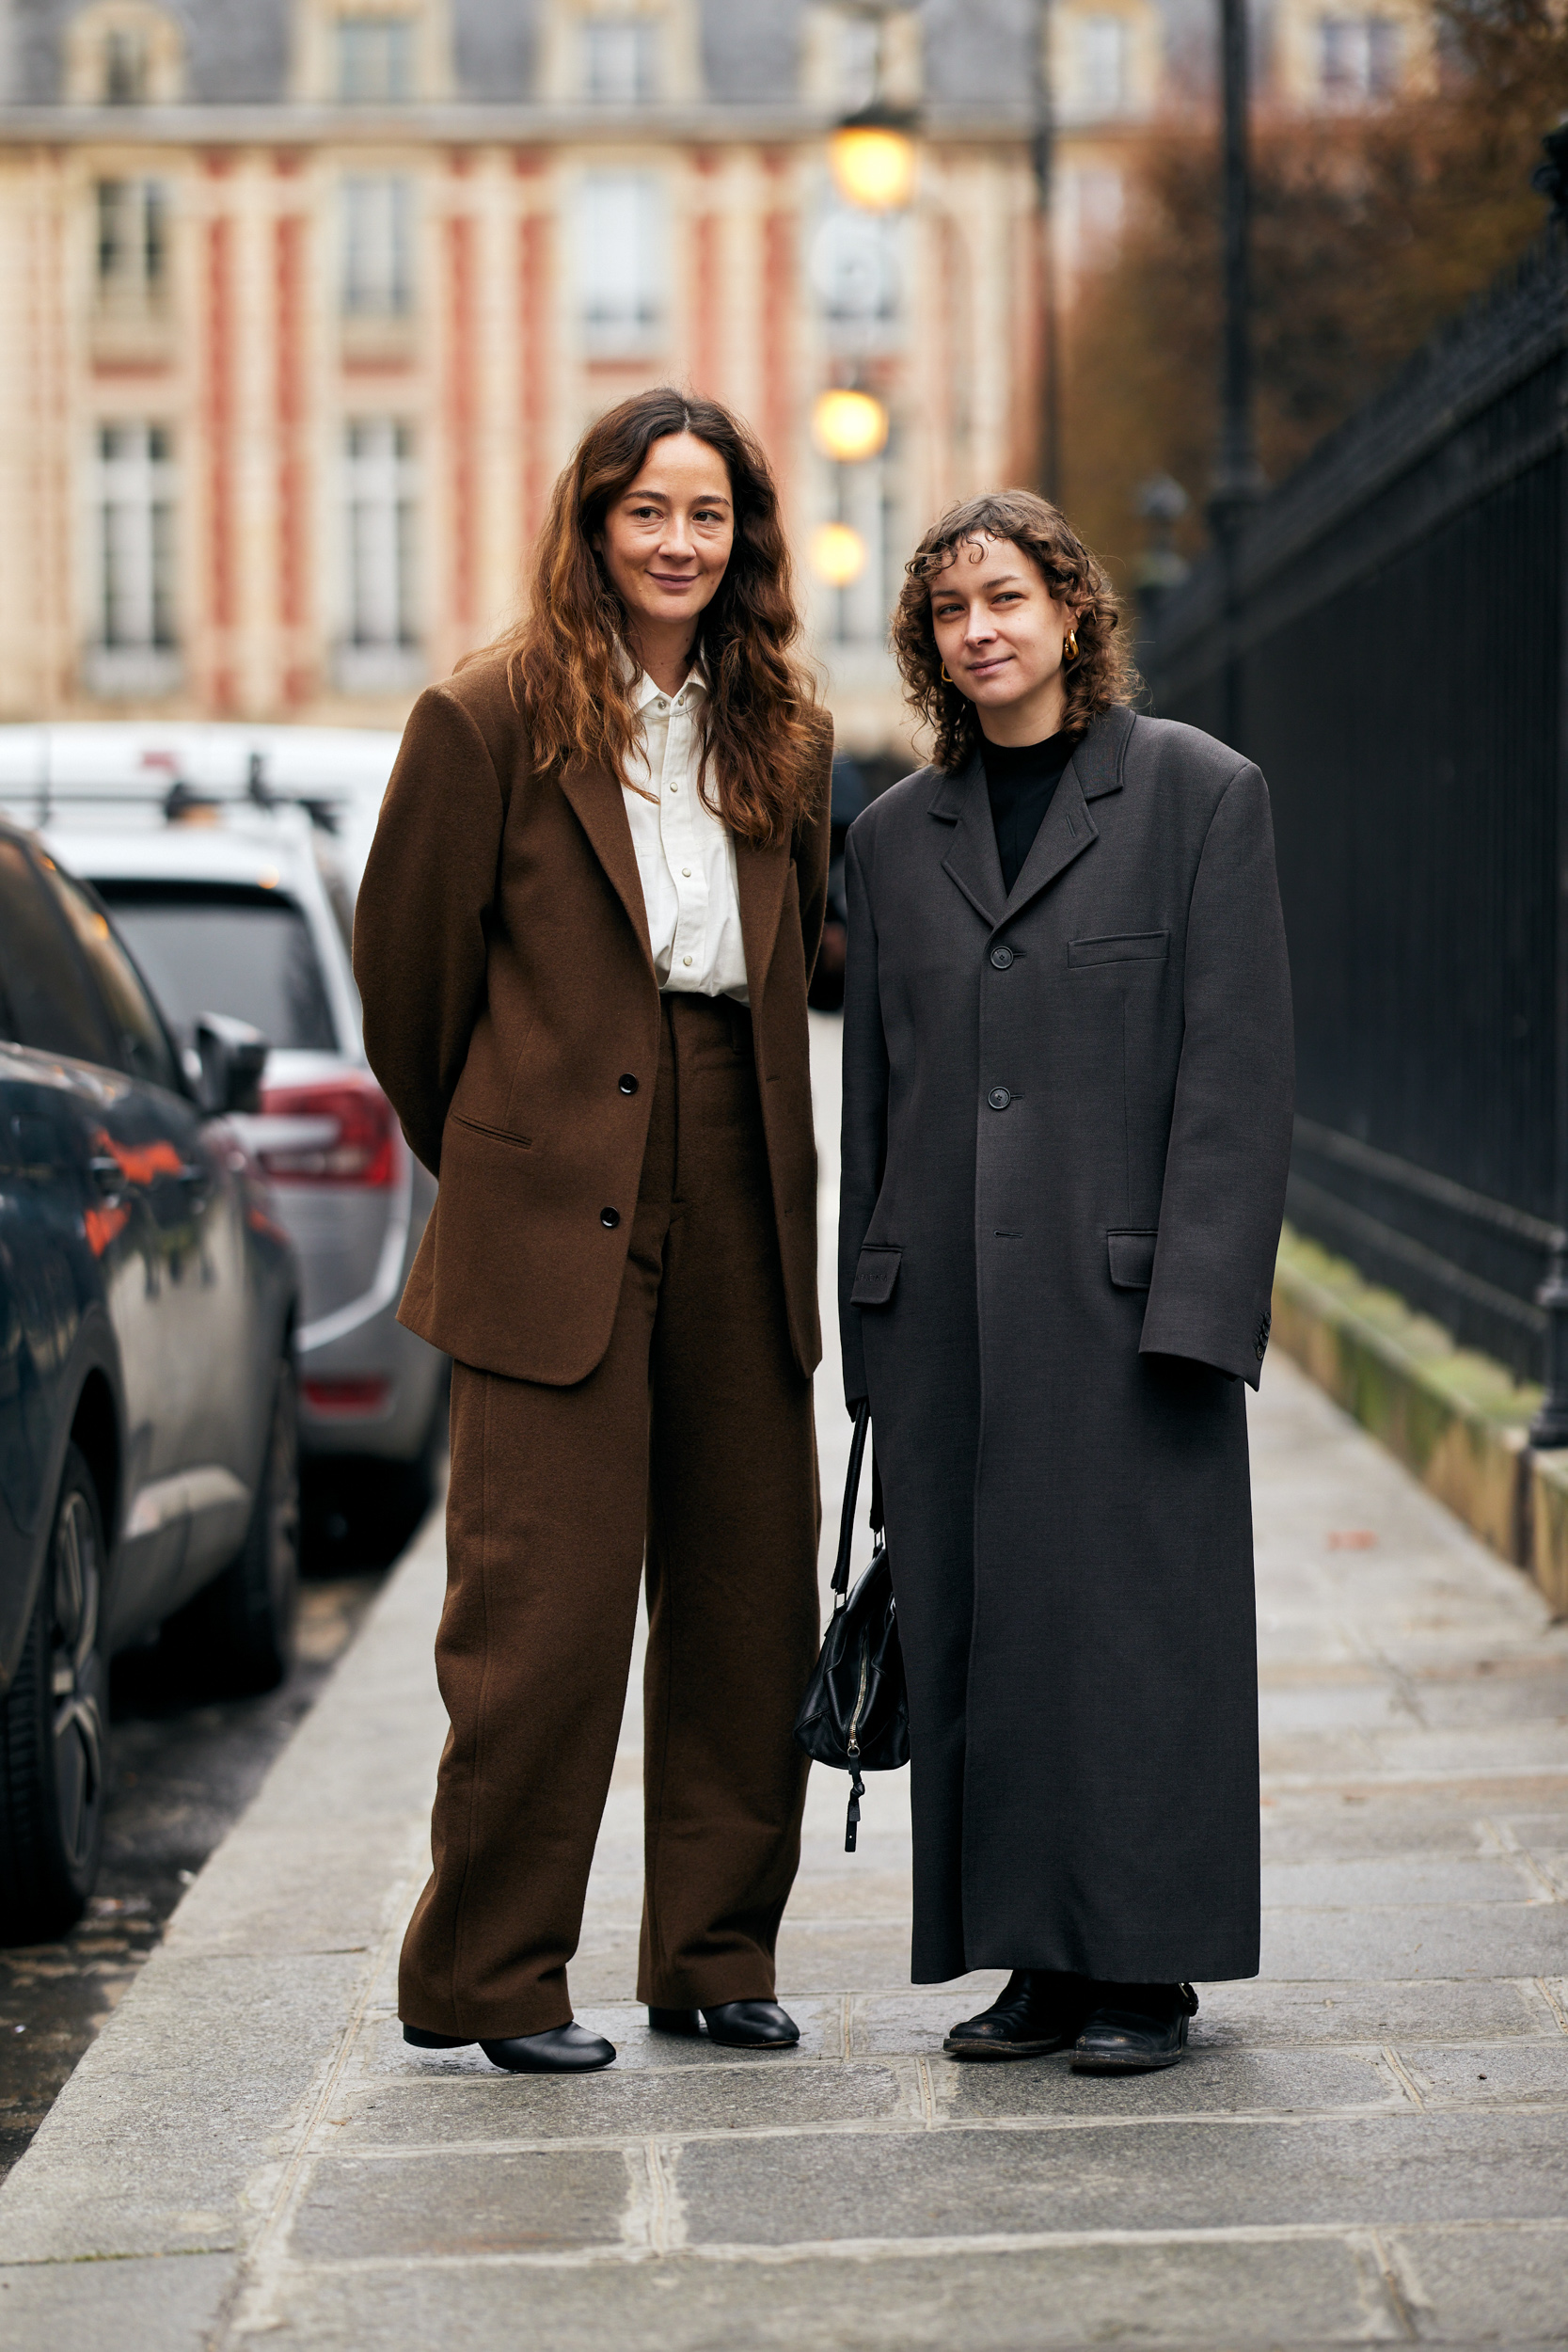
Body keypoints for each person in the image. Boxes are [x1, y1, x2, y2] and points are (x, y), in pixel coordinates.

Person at [355, 388, 832, 2074]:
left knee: (746, 1592)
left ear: (742, 539)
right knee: (536, 1616)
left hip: (744, 1188)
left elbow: (827, 958)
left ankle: (713, 1955)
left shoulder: (780, 729)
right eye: (650, 513)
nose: (679, 544)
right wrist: (500, 1157)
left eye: (708, 516)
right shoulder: (484, 720)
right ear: (593, 525)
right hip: (550, 1195)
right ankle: (493, 1977)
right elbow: (408, 996)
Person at [838, 491, 1293, 2073]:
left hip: (1127, 1311)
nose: (982, 630)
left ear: (1073, 615)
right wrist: (870, 1330)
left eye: (1009, 598)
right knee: (980, 1634)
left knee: (1133, 1635)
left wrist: (1205, 1312)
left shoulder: (1196, 795)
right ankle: (1028, 1957)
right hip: (949, 1314)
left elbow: (1236, 1081)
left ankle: (1145, 1970)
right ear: (927, 642)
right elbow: (875, 1103)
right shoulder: (892, 842)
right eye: (952, 610)